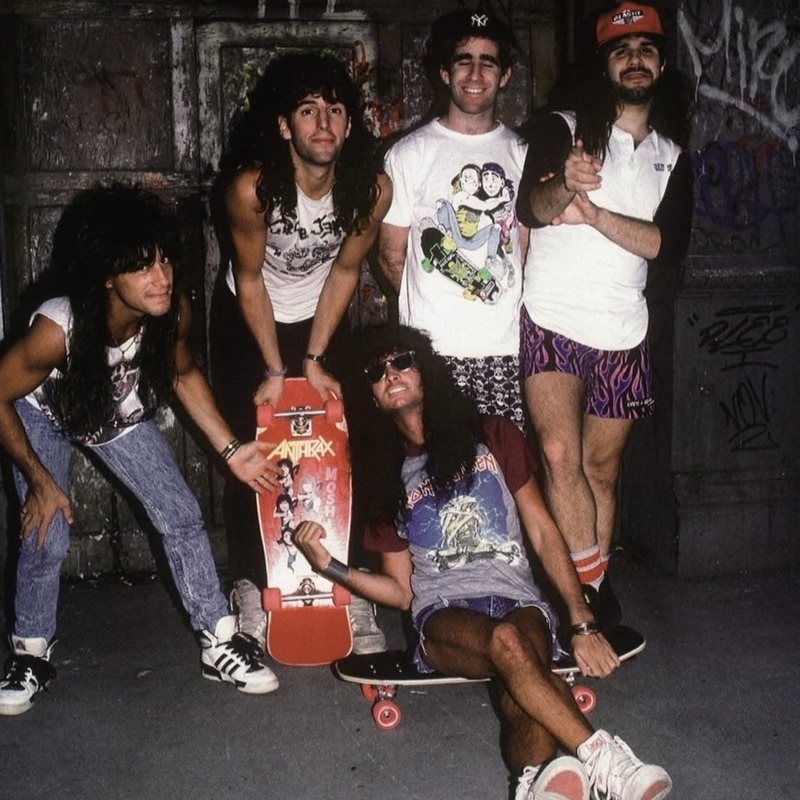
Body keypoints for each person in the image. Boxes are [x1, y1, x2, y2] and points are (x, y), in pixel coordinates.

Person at [292, 324, 672, 800]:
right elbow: (402, 592)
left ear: (426, 370)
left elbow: (543, 531)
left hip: (517, 598)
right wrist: (328, 564)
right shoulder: (382, 477)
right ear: (369, 395)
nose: (391, 374)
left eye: (402, 361)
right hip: (442, 614)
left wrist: (581, 620)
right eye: (376, 371)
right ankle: (607, 759)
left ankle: (539, 784)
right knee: (509, 643)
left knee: (520, 695)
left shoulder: (493, 434)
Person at [0, 184, 281, 716]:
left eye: (164, 260)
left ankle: (218, 640)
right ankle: (31, 653)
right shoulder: (56, 329)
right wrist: (39, 480)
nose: (162, 277)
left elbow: (183, 373)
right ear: (108, 276)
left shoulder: (170, 312)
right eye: (141, 267)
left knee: (181, 513)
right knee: (47, 532)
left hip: (109, 412)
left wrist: (233, 450)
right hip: (40, 414)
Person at [515, 2, 693, 627]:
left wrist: (592, 215)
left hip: (623, 329)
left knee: (600, 470)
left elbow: (665, 245)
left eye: (645, 49)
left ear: (661, 64)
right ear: (605, 65)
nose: (634, 60)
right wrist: (565, 183)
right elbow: (533, 209)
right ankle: (584, 604)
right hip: (552, 317)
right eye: (621, 50)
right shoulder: (563, 129)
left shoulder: (672, 154)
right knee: (559, 453)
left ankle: (592, 581)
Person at [210, 51, 392, 654]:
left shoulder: (370, 188)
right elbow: (251, 280)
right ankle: (251, 586)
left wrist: (312, 359)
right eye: (308, 111)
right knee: (255, 450)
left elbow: (345, 271)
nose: (323, 124)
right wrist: (275, 368)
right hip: (250, 317)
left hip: (321, 314)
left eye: (335, 111)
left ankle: (352, 588)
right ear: (285, 126)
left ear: (349, 124)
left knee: (345, 441)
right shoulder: (254, 189)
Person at [378, 9, 529, 429]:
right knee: (438, 464)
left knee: (504, 465)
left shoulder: (523, 154)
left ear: (505, 75)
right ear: (445, 73)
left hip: (506, 351)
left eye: (488, 62)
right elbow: (391, 258)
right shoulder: (408, 154)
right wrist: (442, 294)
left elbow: (524, 250)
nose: (475, 74)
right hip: (432, 352)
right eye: (464, 61)